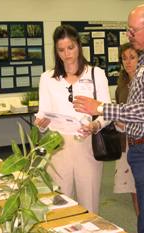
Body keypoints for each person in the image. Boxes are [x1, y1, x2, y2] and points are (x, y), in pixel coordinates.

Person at [73, 3, 144, 233]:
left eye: (133, 30)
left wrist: (102, 107)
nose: (128, 35)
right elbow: (141, 109)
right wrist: (123, 120)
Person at [34, 24, 111, 214]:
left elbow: (107, 112)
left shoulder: (96, 74)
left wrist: (95, 125)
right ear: (56, 51)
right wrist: (41, 125)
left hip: (86, 143)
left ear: (78, 46)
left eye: (71, 48)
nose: (67, 54)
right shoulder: (47, 78)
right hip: (58, 145)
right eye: (61, 50)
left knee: (89, 202)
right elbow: (42, 114)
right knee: (60, 204)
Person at [113, 42, 139, 216]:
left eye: (132, 57)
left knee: (143, 186)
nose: (128, 62)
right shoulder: (121, 85)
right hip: (125, 142)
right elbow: (117, 109)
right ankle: (140, 220)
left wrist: (127, 123)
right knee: (132, 187)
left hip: (141, 142)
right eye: (124, 58)